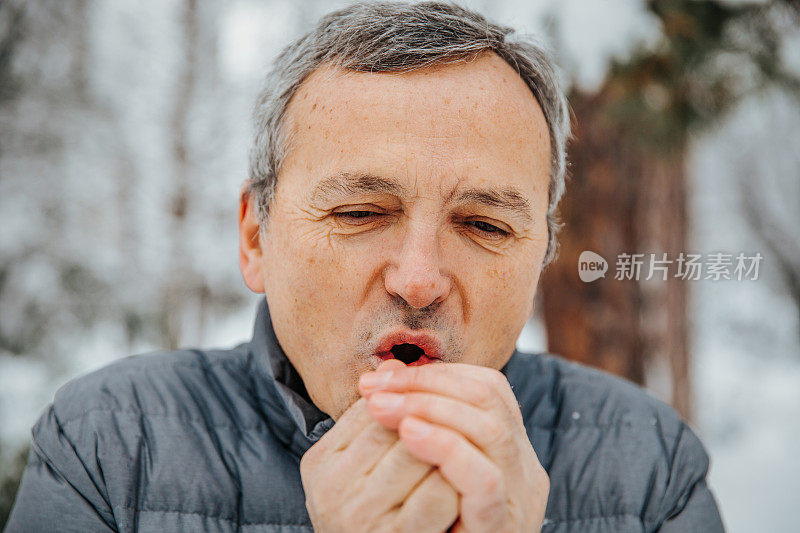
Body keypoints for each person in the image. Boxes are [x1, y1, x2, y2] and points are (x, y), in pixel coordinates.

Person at [4, 2, 724, 531]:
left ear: (540, 253)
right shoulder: (109, 447)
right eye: (359, 213)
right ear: (256, 237)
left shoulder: (651, 469)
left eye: (483, 224)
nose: (418, 278)